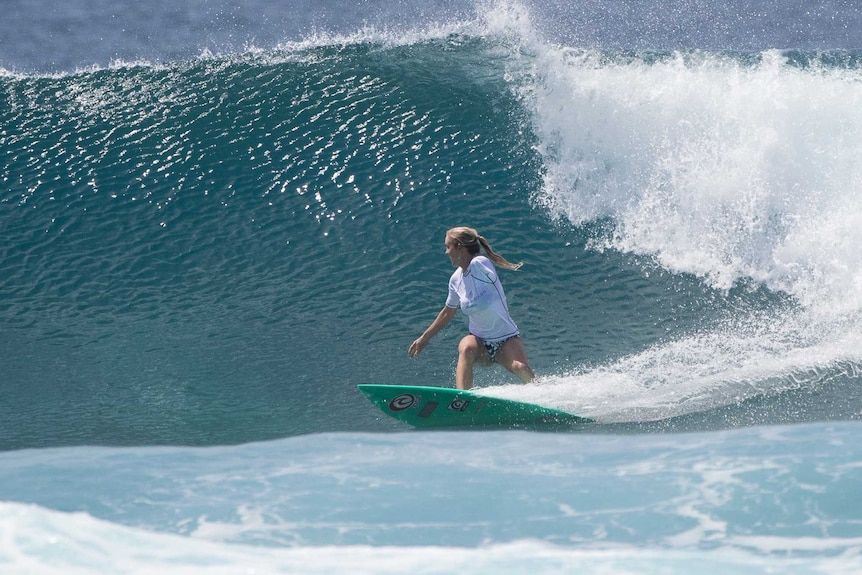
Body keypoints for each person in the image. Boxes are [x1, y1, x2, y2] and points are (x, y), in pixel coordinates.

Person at [408, 226, 535, 390]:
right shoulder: (455, 280)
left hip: (506, 339)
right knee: (466, 346)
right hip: (479, 343)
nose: (446, 252)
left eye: (448, 247)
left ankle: (546, 401)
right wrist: (424, 338)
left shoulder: (480, 264)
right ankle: (462, 399)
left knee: (520, 367)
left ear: (459, 247)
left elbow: (486, 276)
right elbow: (447, 312)